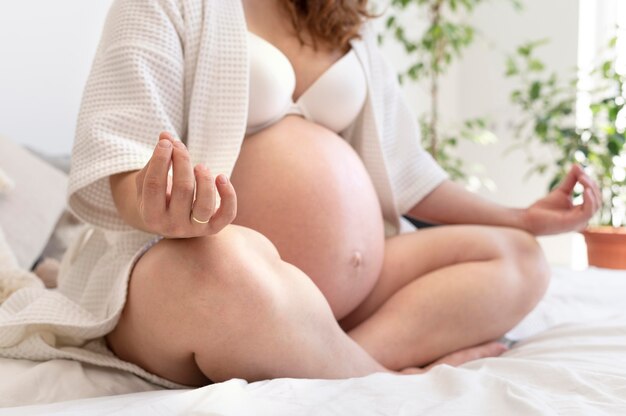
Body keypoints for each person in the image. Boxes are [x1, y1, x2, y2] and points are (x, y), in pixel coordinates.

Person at [59, 0, 601, 388]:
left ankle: (344, 359)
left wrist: (521, 218)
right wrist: (160, 209)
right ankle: (384, 384)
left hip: (343, 294)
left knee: (517, 257)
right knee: (222, 263)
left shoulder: (345, 17)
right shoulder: (168, 4)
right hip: (206, 273)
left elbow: (407, 169)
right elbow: (124, 153)